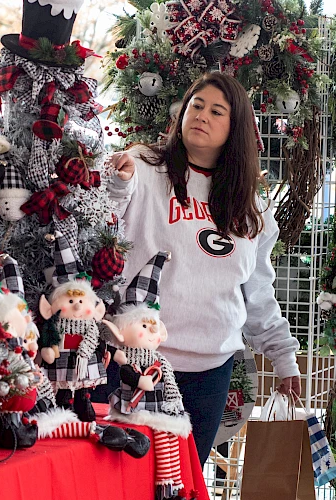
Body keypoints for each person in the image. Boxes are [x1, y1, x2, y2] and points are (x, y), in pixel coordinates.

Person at [106, 72, 301, 467]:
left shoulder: (253, 208)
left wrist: (284, 358)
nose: (202, 116)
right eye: (196, 105)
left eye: (217, 111)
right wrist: (116, 185)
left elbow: (257, 295)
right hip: (133, 361)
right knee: (119, 479)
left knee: (181, 483)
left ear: (235, 128)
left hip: (209, 372)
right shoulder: (143, 166)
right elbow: (102, 231)